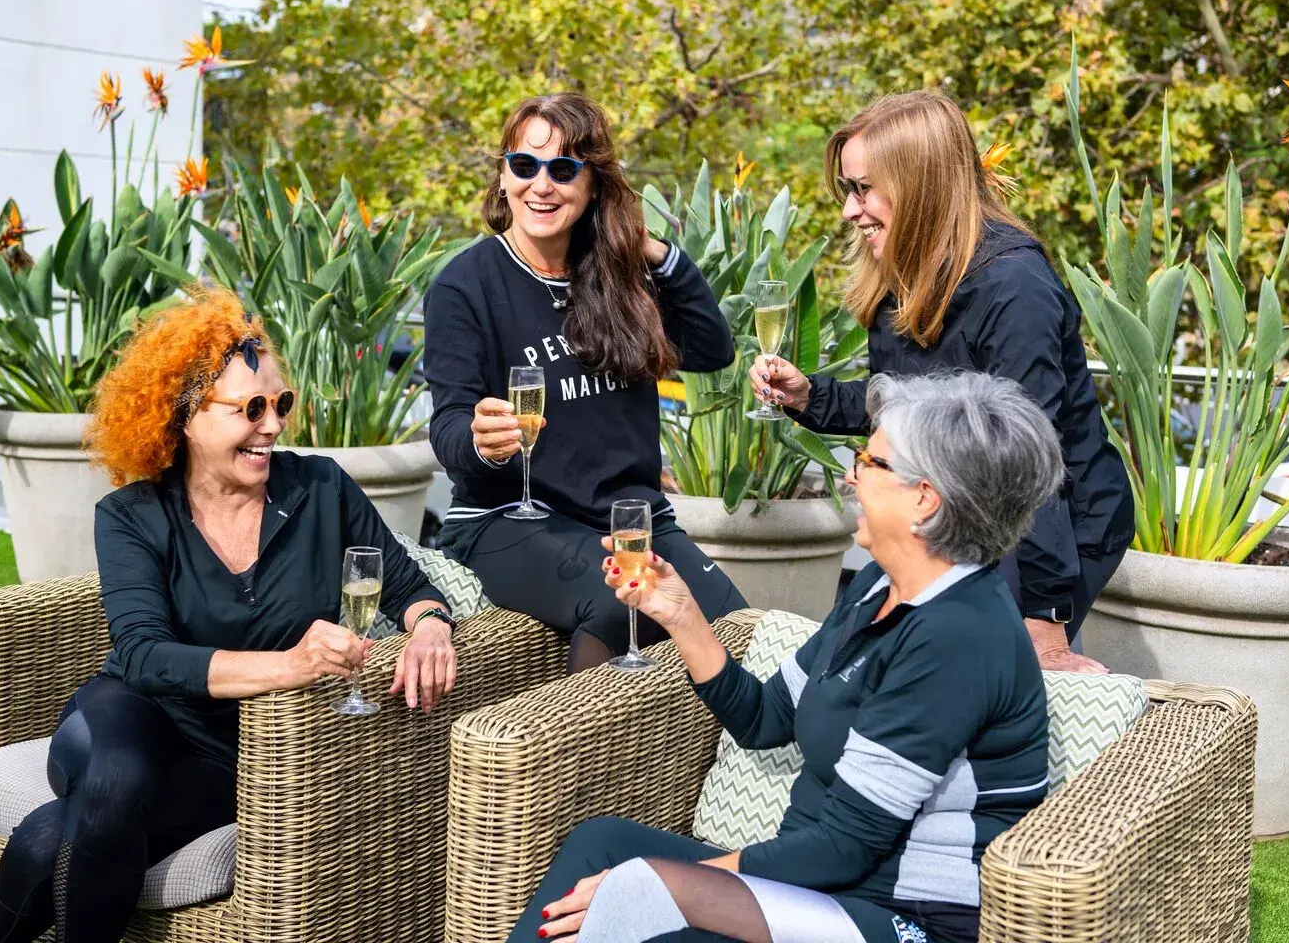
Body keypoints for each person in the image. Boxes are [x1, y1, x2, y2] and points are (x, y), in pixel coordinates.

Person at [0, 287, 459, 943]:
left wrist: (431, 628)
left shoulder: (323, 490)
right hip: (129, 714)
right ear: (186, 416)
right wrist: (289, 666)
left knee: (59, 829)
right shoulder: (132, 515)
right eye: (250, 408)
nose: (273, 425)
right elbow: (143, 656)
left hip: (234, 752)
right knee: (116, 783)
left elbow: (410, 586)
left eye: (281, 403)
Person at [511, 372, 1061, 943]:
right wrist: (682, 615)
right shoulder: (878, 585)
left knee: (633, 895)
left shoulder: (957, 636)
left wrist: (667, 884)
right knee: (601, 845)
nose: (850, 475)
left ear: (924, 497)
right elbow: (766, 718)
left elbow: (844, 846)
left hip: (901, 917)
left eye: (869, 462)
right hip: (820, 885)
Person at [752, 90, 1133, 674]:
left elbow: (1035, 464)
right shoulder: (905, 275)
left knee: (981, 671)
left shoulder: (1014, 288)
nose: (850, 210)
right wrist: (810, 395)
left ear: (920, 185)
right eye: (848, 189)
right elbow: (902, 405)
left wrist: (1044, 621)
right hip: (962, 506)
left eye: (863, 188)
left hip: (1048, 527)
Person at [424, 92, 747, 673]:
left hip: (631, 520)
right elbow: (449, 426)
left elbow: (711, 350)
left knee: (735, 625)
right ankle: (571, 735)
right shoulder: (464, 286)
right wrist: (480, 441)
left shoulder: (619, 275)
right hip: (508, 519)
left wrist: (651, 250)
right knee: (620, 600)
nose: (541, 185)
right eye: (525, 165)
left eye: (564, 169)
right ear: (503, 176)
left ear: (594, 183)